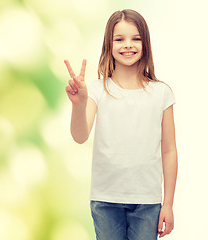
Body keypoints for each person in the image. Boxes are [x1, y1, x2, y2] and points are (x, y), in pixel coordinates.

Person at [64, 9, 178, 240]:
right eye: (120, 39)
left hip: (148, 202)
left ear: (145, 43)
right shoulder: (97, 90)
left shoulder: (161, 93)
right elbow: (80, 135)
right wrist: (79, 104)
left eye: (136, 38)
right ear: (109, 44)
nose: (128, 45)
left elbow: (169, 150)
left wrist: (168, 204)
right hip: (106, 200)